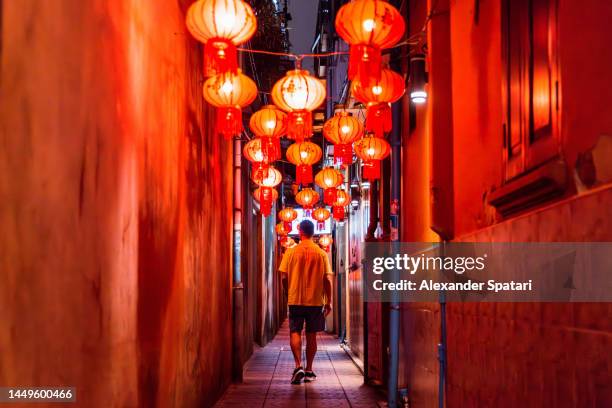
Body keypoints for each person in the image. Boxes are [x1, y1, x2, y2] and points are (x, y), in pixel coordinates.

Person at [279, 219, 333, 384]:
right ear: (313, 233)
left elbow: (283, 276)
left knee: (295, 331)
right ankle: (309, 369)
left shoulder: (290, 252)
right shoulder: (321, 253)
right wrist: (328, 301)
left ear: (300, 231)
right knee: (311, 335)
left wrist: (288, 291)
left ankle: (298, 366)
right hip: (315, 301)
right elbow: (327, 280)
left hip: (295, 298)